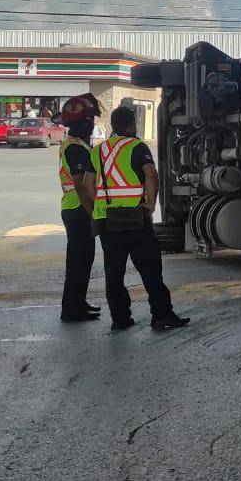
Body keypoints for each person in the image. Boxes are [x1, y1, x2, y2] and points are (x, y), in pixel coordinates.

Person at [94, 106, 189, 332]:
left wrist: (95, 210)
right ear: (131, 125)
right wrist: (151, 202)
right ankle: (161, 315)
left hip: (108, 220)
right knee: (150, 269)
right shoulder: (137, 146)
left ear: (112, 126)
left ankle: (120, 319)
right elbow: (151, 175)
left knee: (113, 273)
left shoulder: (97, 151)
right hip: (136, 219)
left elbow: (89, 184)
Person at [57, 94, 104, 323]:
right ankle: (71, 309)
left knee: (83, 260)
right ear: (84, 123)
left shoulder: (77, 144)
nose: (93, 123)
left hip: (74, 208)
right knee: (78, 261)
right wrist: (93, 214)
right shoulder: (76, 148)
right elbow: (80, 184)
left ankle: (78, 303)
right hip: (78, 210)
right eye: (91, 119)